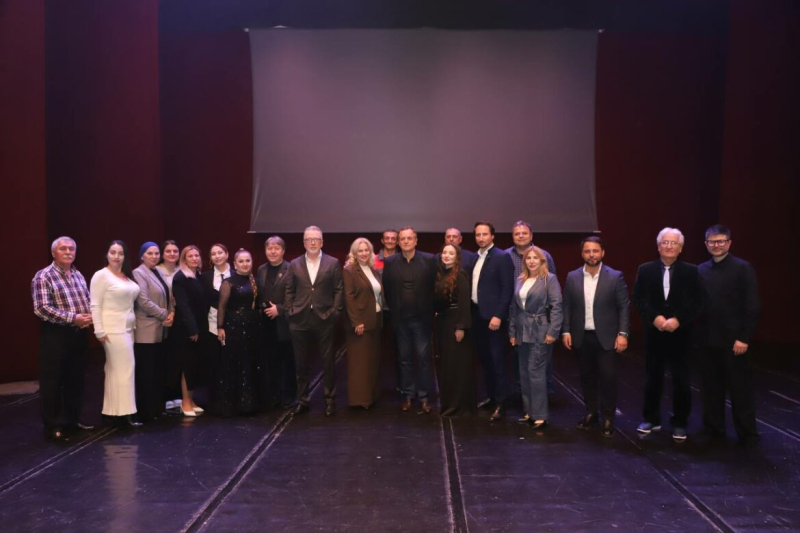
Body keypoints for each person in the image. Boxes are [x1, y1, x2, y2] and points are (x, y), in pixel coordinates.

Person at [633, 227, 702, 442]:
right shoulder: (645, 270)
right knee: (652, 378)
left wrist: (678, 319)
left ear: (681, 248)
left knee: (681, 379)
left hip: (681, 334)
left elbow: (697, 301)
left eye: (674, 243)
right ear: (658, 246)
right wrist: (654, 317)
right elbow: (638, 298)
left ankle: (680, 423)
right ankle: (651, 419)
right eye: (665, 242)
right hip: (654, 332)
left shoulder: (692, 271)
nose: (669, 246)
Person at [697, 224, 760, 446]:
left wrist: (744, 337)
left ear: (729, 243)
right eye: (712, 242)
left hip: (735, 341)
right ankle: (714, 430)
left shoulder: (743, 268)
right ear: (706, 244)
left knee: (740, 389)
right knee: (711, 388)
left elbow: (752, 305)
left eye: (721, 241)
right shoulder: (700, 270)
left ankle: (747, 434)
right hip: (707, 340)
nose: (717, 245)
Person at [561, 236, 630, 437]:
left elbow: (623, 307)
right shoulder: (572, 276)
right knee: (587, 378)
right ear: (582, 254)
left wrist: (623, 334)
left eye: (595, 251)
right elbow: (567, 306)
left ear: (602, 253)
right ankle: (591, 413)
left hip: (608, 337)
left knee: (608, 378)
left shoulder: (615, 276)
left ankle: (608, 418)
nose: (591, 255)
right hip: (581, 336)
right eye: (587, 251)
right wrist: (566, 331)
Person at [31, 236, 93, 442]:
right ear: (53, 253)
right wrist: (72, 318)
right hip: (56, 335)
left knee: (75, 380)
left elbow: (87, 299)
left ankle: (72, 422)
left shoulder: (78, 274)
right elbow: (41, 308)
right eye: (63, 248)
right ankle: (54, 426)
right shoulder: (43, 276)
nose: (68, 252)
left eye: (71, 249)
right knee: (53, 382)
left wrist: (89, 316)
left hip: (78, 334)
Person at [284, 226, 344, 417]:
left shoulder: (333, 262)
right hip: (299, 319)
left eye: (316, 239)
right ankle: (303, 400)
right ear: (303, 243)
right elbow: (289, 290)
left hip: (324, 318)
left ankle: (330, 400)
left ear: (322, 242)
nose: (312, 242)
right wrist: (290, 310)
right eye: (309, 239)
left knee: (328, 362)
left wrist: (335, 312)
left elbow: (339, 289)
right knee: (301, 364)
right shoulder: (294, 264)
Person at [382, 226, 438, 414]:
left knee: (423, 359)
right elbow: (388, 289)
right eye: (402, 239)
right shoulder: (390, 262)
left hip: (422, 320)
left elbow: (435, 287)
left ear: (416, 241)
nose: (405, 241)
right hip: (401, 320)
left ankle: (424, 397)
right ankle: (407, 395)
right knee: (404, 359)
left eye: (409, 238)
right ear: (398, 242)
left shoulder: (429, 260)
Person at [508, 247, 562, 430]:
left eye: (535, 258)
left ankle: (540, 415)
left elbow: (557, 306)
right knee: (524, 371)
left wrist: (553, 331)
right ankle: (529, 411)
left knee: (536, 371)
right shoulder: (520, 279)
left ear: (542, 261)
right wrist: (512, 332)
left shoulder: (549, 279)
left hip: (540, 330)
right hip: (522, 331)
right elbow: (514, 308)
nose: (531, 261)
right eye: (528, 258)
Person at [465, 221, 514, 422]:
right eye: (478, 234)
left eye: (485, 234)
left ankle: (501, 403)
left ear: (492, 236)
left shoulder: (502, 257)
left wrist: (498, 315)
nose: (481, 238)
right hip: (477, 315)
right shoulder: (474, 257)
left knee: (497, 360)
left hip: (493, 318)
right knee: (485, 360)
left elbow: (507, 288)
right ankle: (491, 397)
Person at [90, 240, 142, 428]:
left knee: (116, 370)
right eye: (113, 252)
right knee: (125, 370)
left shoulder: (125, 276)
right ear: (107, 254)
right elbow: (95, 305)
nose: (116, 256)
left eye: (120, 253)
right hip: (113, 329)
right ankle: (125, 414)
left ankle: (113, 412)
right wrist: (99, 330)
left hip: (128, 328)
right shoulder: (101, 275)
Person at [505, 220, 557, 402]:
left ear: (531, 235)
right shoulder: (505, 256)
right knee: (518, 359)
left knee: (541, 360)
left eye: (524, 233)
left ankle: (544, 397)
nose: (521, 236)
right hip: (515, 315)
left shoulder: (545, 256)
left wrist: (551, 324)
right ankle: (523, 397)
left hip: (539, 318)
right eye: (517, 233)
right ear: (512, 237)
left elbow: (552, 288)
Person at [214, 249, 259, 417]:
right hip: (234, 327)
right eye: (241, 261)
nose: (245, 264)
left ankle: (249, 403)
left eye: (248, 261)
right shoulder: (228, 282)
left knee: (249, 363)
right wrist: (220, 327)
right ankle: (233, 404)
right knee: (235, 363)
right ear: (234, 264)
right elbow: (222, 307)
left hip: (252, 327)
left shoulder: (254, 280)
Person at [132, 242, 174, 422]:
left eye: (157, 253)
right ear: (142, 255)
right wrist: (165, 314)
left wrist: (172, 313)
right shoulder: (138, 273)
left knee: (157, 373)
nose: (154, 256)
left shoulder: (158, 272)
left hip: (161, 330)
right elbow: (143, 301)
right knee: (146, 374)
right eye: (150, 253)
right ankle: (146, 412)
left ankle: (157, 409)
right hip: (146, 331)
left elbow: (169, 296)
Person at [435, 244, 476, 417]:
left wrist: (461, 327)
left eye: (451, 253)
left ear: (457, 257)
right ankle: (449, 403)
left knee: (456, 366)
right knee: (448, 365)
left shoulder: (460, 274)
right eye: (444, 252)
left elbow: (464, 303)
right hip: (445, 322)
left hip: (456, 322)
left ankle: (458, 406)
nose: (446, 255)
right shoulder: (442, 274)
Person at [255, 236, 296, 409]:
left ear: (283, 251)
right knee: (271, 361)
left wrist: (279, 309)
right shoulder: (261, 269)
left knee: (288, 362)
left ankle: (289, 396)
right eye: (269, 248)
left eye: (276, 248)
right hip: (266, 323)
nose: (272, 251)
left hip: (285, 322)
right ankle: (274, 395)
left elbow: (296, 295)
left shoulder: (291, 268)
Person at [343, 238, 383, 409]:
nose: (364, 253)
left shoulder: (372, 269)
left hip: (375, 320)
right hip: (361, 323)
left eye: (367, 250)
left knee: (371, 362)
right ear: (354, 253)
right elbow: (349, 297)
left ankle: (370, 397)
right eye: (360, 250)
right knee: (360, 364)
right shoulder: (349, 270)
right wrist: (356, 321)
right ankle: (360, 400)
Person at [172, 245, 207, 417]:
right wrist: (192, 329)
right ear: (184, 259)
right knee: (188, 365)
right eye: (190, 256)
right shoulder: (180, 278)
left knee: (195, 365)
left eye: (196, 255)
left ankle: (191, 400)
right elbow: (183, 306)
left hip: (199, 326)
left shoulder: (197, 276)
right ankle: (185, 402)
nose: (194, 258)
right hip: (186, 328)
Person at [201, 243, 231, 408]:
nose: (217, 256)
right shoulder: (204, 277)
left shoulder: (237, 274)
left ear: (227, 254)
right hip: (210, 325)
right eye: (213, 254)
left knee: (230, 363)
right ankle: (214, 401)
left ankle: (230, 398)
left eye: (220, 252)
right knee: (213, 363)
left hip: (233, 325)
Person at [157, 239, 182, 412]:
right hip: (162, 318)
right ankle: (165, 395)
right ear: (162, 254)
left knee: (178, 358)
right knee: (164, 358)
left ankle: (177, 394)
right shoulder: (156, 271)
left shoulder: (183, 270)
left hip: (180, 319)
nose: (172, 254)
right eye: (168, 251)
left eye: (175, 251)